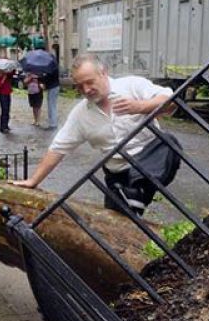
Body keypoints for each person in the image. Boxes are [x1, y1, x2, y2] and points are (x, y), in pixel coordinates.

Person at [13, 54, 180, 216]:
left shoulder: (131, 85)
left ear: (104, 73)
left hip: (151, 159)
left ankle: (138, 192)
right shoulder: (80, 114)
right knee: (113, 225)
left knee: (169, 143)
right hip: (118, 174)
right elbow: (58, 148)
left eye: (90, 82)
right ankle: (131, 196)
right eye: (79, 86)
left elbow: (171, 102)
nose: (86, 89)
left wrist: (139, 106)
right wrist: (33, 180)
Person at [0, 65, 14, 133]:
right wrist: (3, 78)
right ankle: (2, 127)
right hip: (2, 95)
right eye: (1, 70)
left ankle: (6, 125)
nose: (2, 71)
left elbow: (12, 73)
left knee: (7, 110)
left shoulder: (7, 75)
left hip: (8, 94)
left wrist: (9, 69)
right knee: (4, 110)